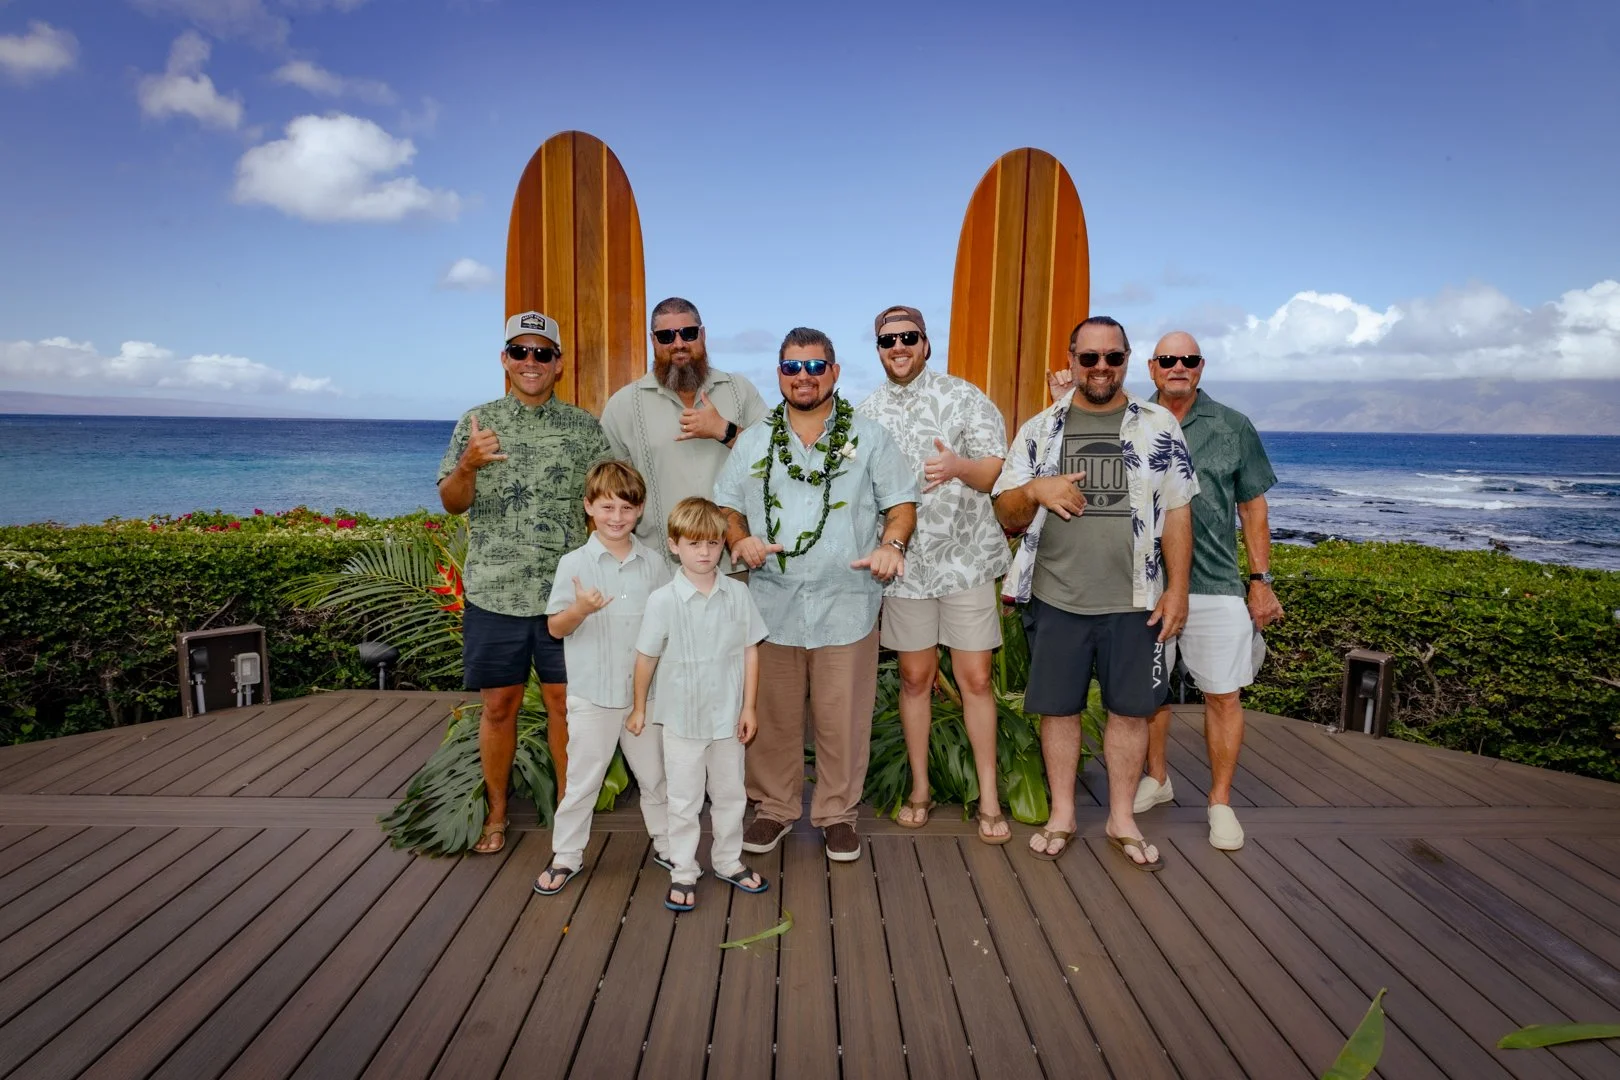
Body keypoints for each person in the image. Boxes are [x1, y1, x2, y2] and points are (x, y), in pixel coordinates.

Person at [992, 315, 1197, 870]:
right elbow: (1005, 513)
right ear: (1073, 359)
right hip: (1057, 598)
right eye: (1089, 358)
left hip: (1137, 600)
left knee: (1130, 713)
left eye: (1112, 357)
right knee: (1057, 711)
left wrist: (1177, 591)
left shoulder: (1159, 426)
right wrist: (1035, 489)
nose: (1101, 367)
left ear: (1127, 360)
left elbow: (1178, 512)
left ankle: (1121, 817)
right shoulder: (1040, 430)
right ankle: (1062, 814)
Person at [713, 327, 917, 863]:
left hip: (846, 602)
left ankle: (837, 814)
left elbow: (900, 503)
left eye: (814, 367)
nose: (803, 378)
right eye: (791, 368)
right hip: (772, 604)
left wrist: (893, 545)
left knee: (842, 716)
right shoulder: (755, 439)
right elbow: (728, 506)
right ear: (778, 374)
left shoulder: (869, 437)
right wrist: (740, 539)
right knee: (773, 715)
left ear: (834, 372)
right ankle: (775, 809)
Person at [437, 310, 609, 853]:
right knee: (498, 707)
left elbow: (610, 503)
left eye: (542, 353)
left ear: (559, 364)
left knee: (565, 707)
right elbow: (450, 503)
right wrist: (466, 465)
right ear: (505, 359)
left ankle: (567, 817)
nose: (530, 362)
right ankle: (496, 815)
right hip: (496, 593)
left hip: (564, 597)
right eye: (520, 351)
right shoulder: (477, 422)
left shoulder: (585, 428)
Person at [855, 305, 1013, 843]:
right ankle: (920, 787)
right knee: (915, 679)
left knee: (976, 680)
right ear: (877, 349)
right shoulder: (865, 411)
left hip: (965, 560)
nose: (898, 347)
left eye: (908, 337)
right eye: (887, 340)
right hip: (905, 570)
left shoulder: (965, 396)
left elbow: (996, 470)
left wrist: (956, 468)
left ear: (926, 343)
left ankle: (989, 797)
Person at [1135, 331, 1282, 851]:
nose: (1179, 366)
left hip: (1215, 584)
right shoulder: (1130, 420)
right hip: (1147, 583)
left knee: (1223, 694)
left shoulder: (1233, 426)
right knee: (1149, 694)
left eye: (1189, 359)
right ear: (1153, 368)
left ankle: (1220, 801)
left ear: (1201, 367)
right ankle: (1157, 778)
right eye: (1169, 359)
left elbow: (1253, 506)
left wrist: (1260, 581)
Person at [533, 461, 674, 895]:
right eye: (607, 506)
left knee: (656, 778)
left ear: (641, 510)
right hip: (593, 697)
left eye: (627, 508)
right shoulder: (574, 564)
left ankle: (668, 845)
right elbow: (556, 628)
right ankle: (567, 856)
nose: (617, 517)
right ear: (588, 507)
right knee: (582, 781)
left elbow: (672, 624)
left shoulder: (654, 564)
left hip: (644, 700)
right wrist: (581, 610)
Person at [629, 497, 770, 911]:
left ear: (723, 545)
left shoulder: (738, 595)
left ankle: (727, 860)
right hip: (682, 721)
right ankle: (684, 870)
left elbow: (750, 652)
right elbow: (646, 656)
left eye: (712, 543)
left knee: (730, 794)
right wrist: (639, 707)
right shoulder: (663, 601)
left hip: (728, 717)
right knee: (684, 799)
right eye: (694, 544)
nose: (705, 552)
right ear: (674, 545)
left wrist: (749, 708)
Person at [600, 297, 770, 573]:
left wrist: (723, 430)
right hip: (657, 573)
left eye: (688, 333)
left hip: (736, 567)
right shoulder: (622, 406)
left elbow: (776, 459)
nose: (678, 344)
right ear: (653, 341)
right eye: (667, 336)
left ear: (702, 335)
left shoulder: (741, 390)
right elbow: (607, 492)